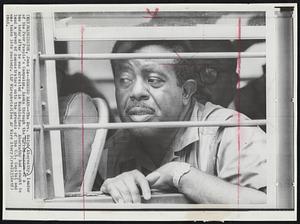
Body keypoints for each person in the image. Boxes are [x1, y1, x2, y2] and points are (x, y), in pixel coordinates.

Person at [97, 40, 267, 204]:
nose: (136, 92)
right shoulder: (114, 149)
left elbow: (274, 208)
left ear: (186, 91)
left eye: (154, 80)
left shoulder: (232, 133)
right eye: (125, 80)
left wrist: (179, 175)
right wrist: (115, 191)